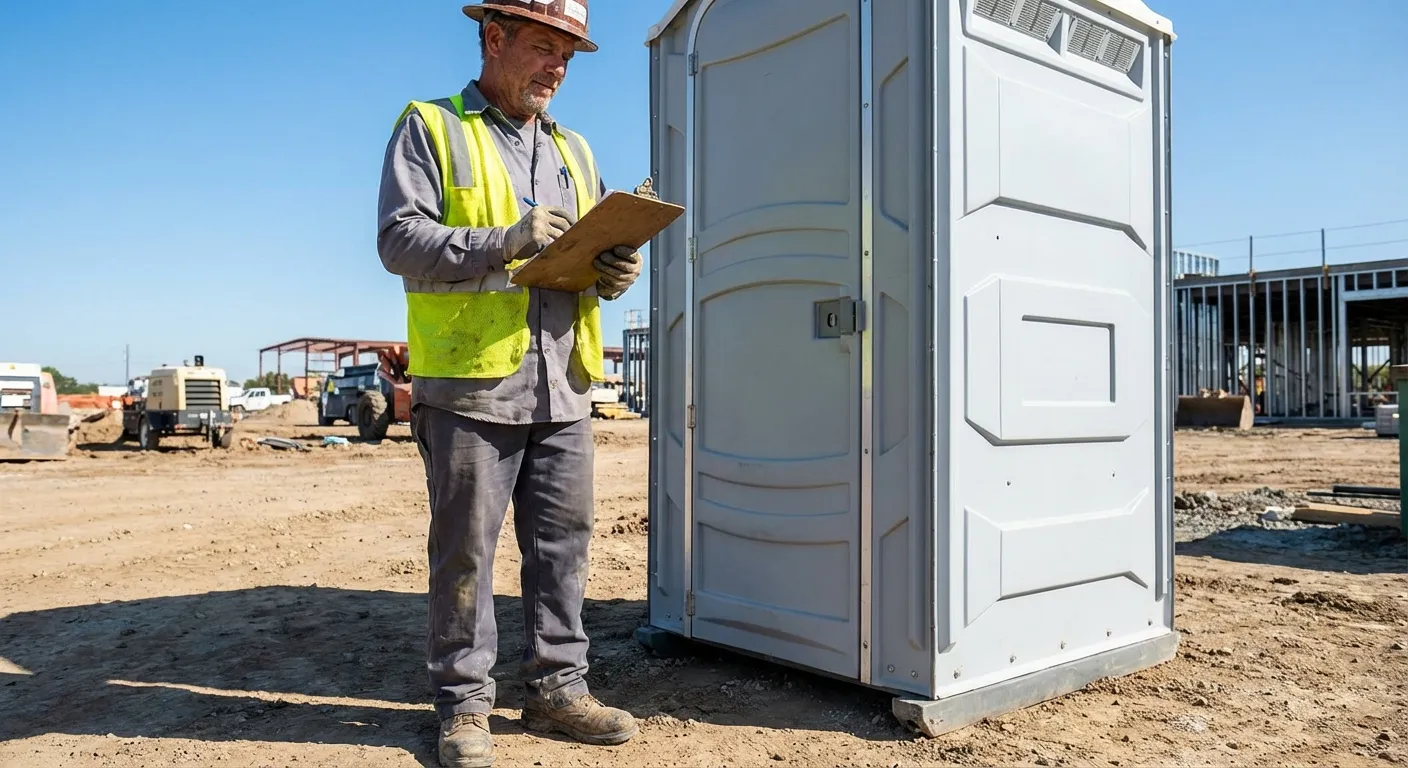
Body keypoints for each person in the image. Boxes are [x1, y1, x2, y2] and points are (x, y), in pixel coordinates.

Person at [374, 2, 642, 766]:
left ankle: (559, 690)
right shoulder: (431, 126)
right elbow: (398, 239)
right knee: (465, 552)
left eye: (568, 56)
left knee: (563, 547)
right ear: (493, 39)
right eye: (542, 48)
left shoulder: (575, 151)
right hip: (469, 385)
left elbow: (585, 256)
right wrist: (504, 241)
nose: (557, 69)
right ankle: (464, 708)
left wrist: (613, 271)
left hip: (563, 381)